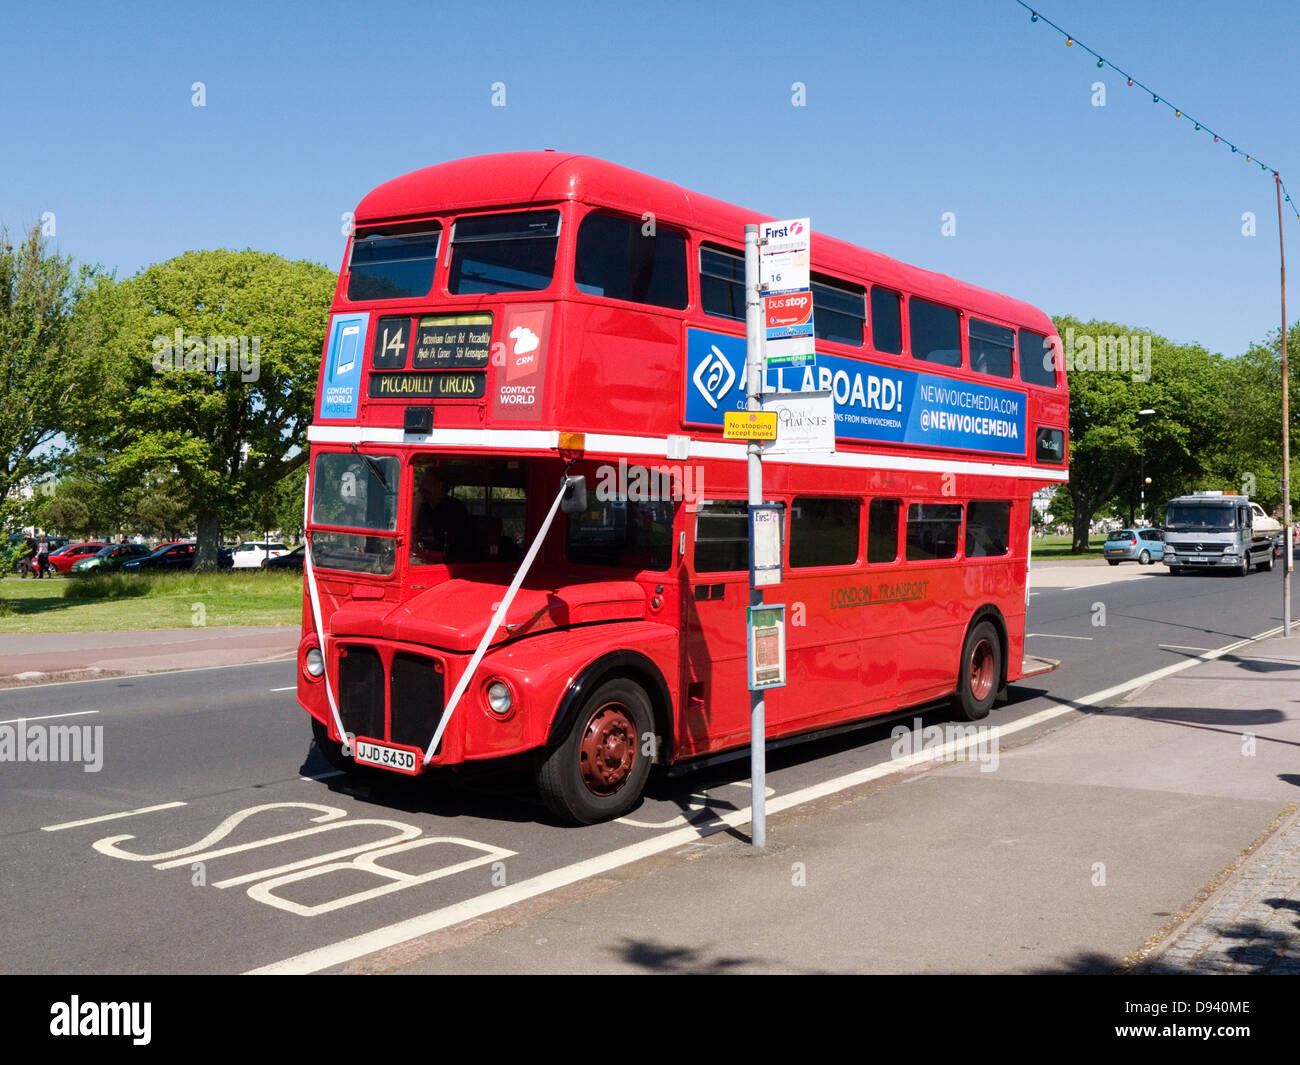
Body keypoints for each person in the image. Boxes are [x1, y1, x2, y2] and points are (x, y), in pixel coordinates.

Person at [412, 468, 473, 563]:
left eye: (426, 484)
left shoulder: (455, 508)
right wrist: (415, 506)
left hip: (445, 561)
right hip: (420, 557)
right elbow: (410, 531)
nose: (421, 488)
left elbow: (458, 545)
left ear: (439, 486)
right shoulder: (422, 506)